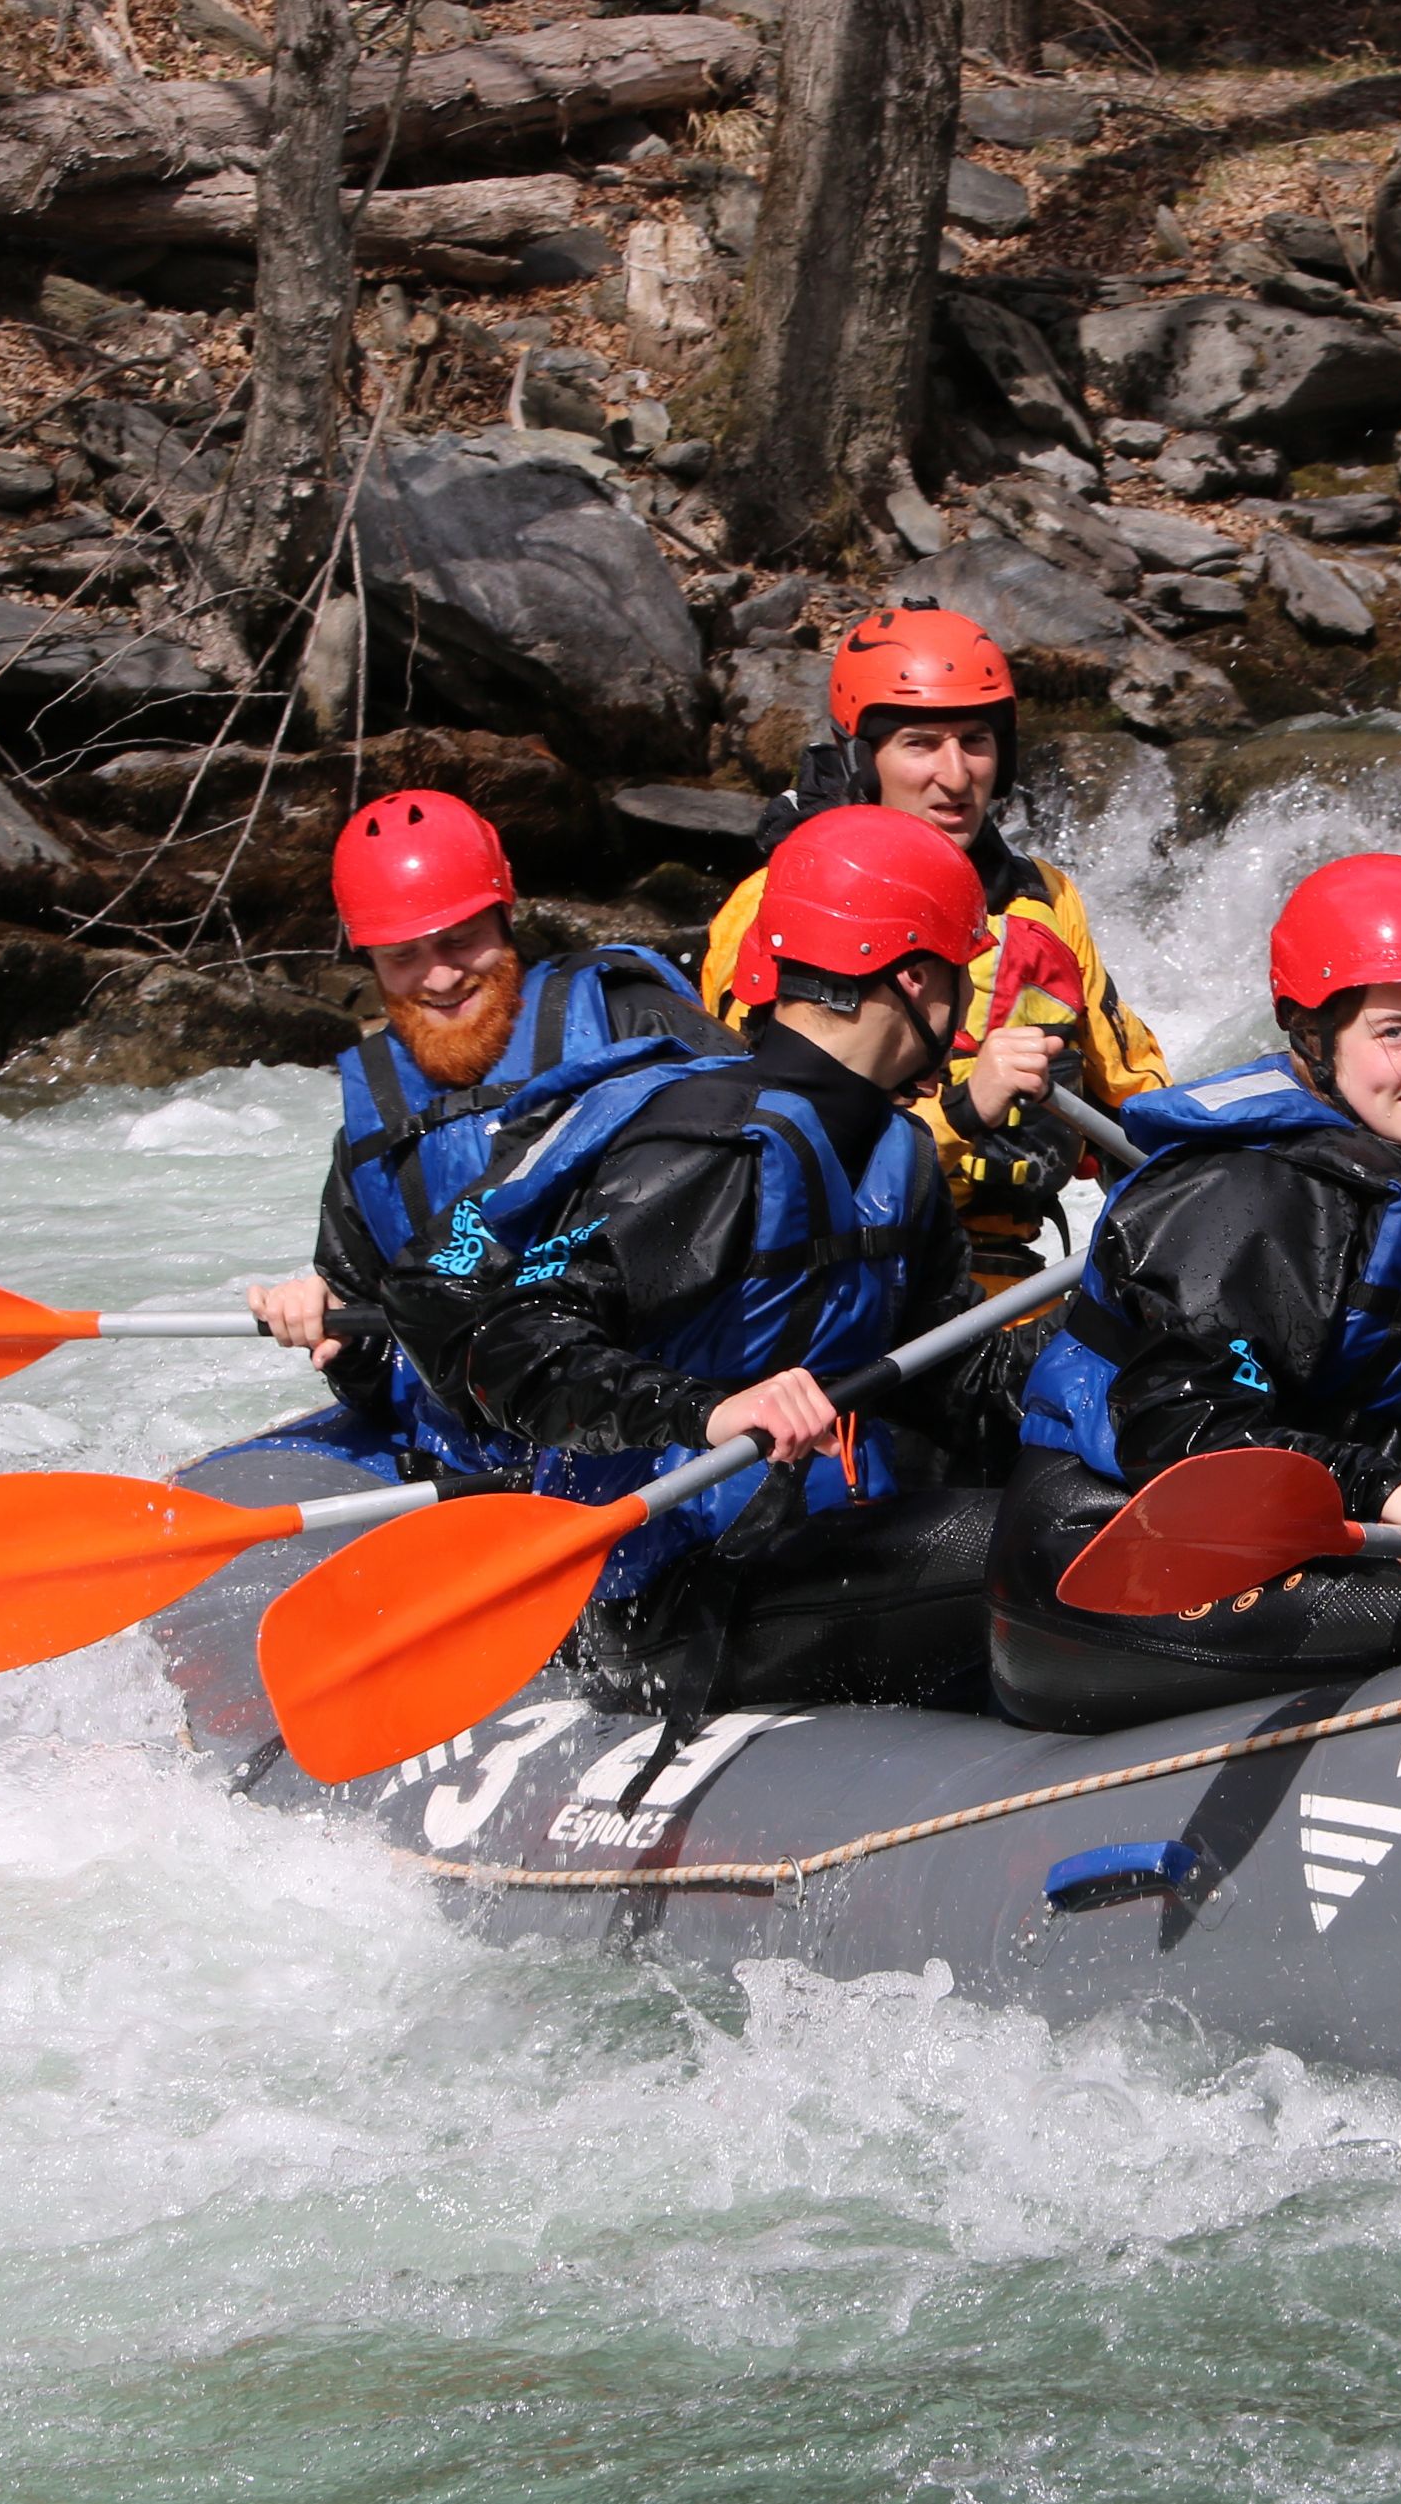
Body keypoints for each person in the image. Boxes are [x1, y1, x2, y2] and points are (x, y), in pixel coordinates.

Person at [988, 855, 1401, 1735]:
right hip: (1106, 1558)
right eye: (1394, 1033)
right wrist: (1381, 1486)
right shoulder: (1247, 1192)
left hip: (1273, 1547)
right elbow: (1179, 1423)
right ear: (1316, 1035)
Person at [378, 807, 1014, 1714]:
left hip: (807, 1545)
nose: (966, 1006)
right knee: (1029, 1542)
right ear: (915, 977)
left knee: (1068, 1502)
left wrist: (1134, 1332)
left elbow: (953, 1380)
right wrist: (710, 1412)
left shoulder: (896, 1150)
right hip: (665, 1598)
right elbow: (512, 1342)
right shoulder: (715, 1149)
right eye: (962, 972)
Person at [243, 788, 732, 1470]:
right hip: (481, 1458)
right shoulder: (375, 1115)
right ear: (370, 962)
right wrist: (338, 1333)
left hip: (659, 1425)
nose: (438, 977)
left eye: (459, 941)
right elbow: (382, 1363)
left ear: (504, 918)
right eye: (403, 956)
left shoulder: (633, 1020)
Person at [699, 605, 1172, 1281]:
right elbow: (745, 1143)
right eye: (920, 743)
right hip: (834, 1279)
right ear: (863, 760)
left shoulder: (1045, 901)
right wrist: (958, 1114)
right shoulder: (773, 906)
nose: (955, 777)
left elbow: (1134, 1093)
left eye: (976, 741)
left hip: (1005, 1280)